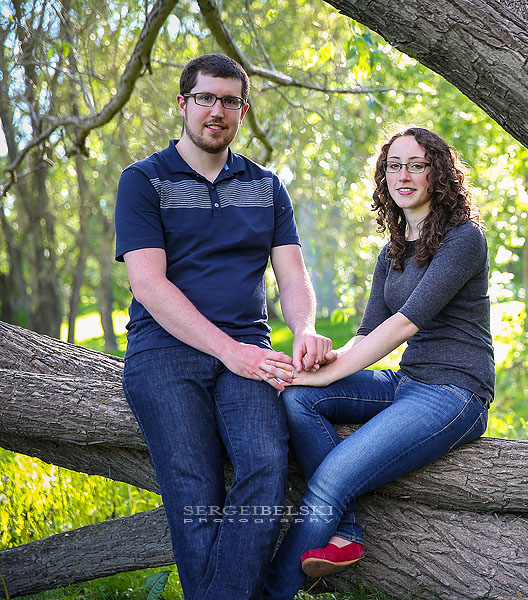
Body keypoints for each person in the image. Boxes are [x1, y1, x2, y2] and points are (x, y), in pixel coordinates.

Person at [114, 54, 332, 600]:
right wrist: (229, 351)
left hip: (250, 352)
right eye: (206, 98)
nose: (218, 111)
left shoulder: (267, 186)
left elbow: (293, 276)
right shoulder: (143, 181)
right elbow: (150, 286)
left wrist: (303, 327)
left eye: (230, 101)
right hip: (164, 352)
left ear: (243, 110)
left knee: (264, 465)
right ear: (184, 104)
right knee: (195, 491)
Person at [262, 126, 494, 599]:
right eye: (394, 166)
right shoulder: (393, 251)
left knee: (329, 479)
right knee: (300, 399)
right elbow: (367, 334)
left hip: (455, 394)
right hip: (408, 383)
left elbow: (403, 326)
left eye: (416, 165)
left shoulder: (463, 240)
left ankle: (269, 593)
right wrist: (313, 366)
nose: (403, 175)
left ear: (439, 175)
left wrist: (329, 371)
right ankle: (345, 534)